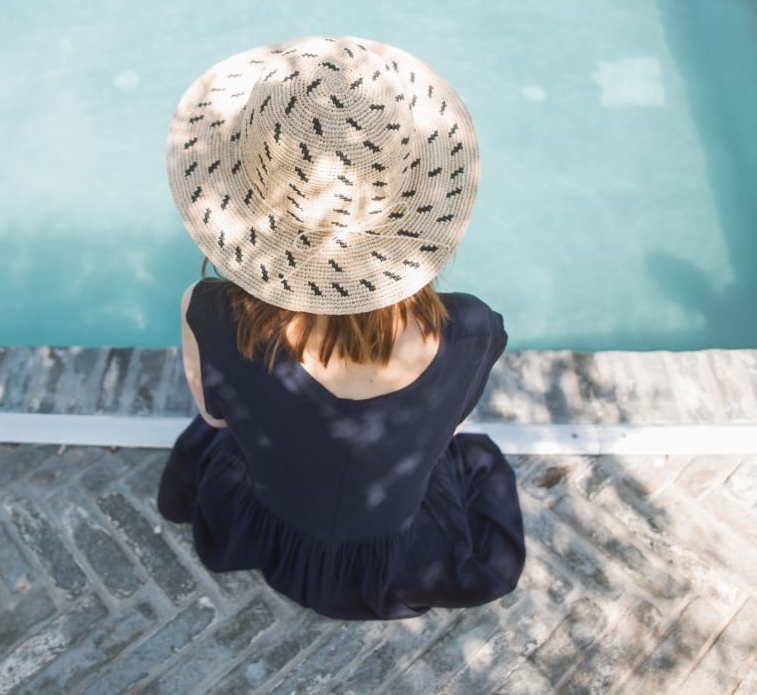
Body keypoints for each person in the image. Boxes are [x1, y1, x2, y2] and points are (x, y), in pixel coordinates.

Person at [157, 35, 526, 621]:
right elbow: (452, 422)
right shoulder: (471, 328)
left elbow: (215, 416)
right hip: (397, 540)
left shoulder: (209, 311)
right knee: (475, 457)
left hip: (274, 509)